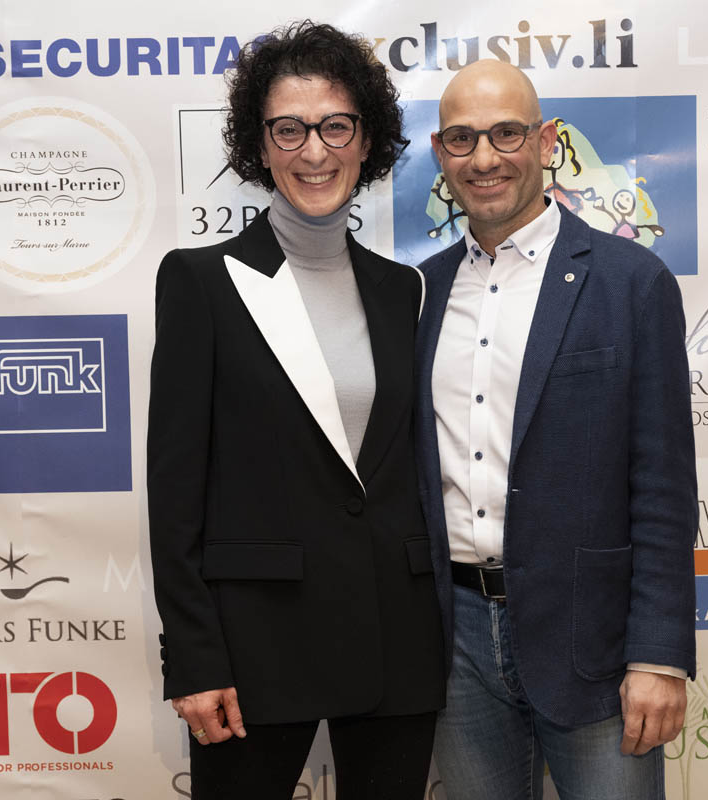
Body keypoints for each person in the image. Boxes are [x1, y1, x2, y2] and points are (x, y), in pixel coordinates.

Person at [147, 21, 444, 800]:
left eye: (335, 126)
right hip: (255, 646)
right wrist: (194, 658)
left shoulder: (402, 292)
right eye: (290, 129)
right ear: (261, 144)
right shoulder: (201, 283)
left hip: (396, 636)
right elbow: (175, 496)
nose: (315, 150)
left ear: (366, 139)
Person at [414, 59, 698, 800]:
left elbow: (663, 487)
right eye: (462, 139)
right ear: (441, 154)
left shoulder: (632, 282)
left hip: (594, 641)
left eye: (506, 134)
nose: (484, 158)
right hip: (456, 644)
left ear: (545, 142)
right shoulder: (421, 292)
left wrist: (659, 656)